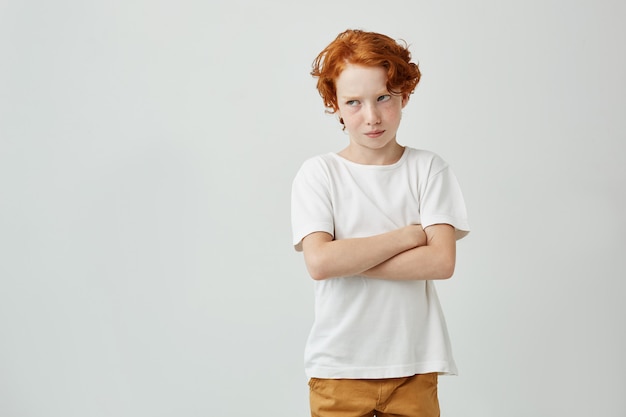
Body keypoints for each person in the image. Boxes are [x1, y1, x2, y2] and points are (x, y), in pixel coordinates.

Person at [290, 29, 470, 417]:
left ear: (404, 95)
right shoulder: (319, 174)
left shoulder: (429, 169)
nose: (371, 117)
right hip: (338, 367)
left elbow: (441, 262)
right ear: (334, 105)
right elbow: (320, 263)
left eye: (383, 98)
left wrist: (348, 259)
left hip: (415, 367)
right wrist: (407, 236)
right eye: (353, 102)